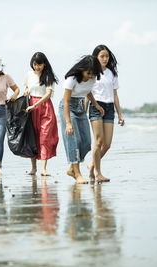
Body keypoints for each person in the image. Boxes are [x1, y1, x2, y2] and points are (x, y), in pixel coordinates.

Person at [59, 55, 105, 184]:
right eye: (88, 73)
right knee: (74, 140)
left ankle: (71, 169)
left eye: (93, 73)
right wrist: (68, 122)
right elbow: (66, 101)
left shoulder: (93, 78)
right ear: (82, 69)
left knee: (85, 142)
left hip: (80, 106)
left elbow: (87, 91)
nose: (90, 76)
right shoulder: (72, 79)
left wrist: (96, 104)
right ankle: (77, 174)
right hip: (68, 108)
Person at [85, 45, 125, 182]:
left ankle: (91, 165)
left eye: (107, 56)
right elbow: (87, 94)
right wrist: (84, 113)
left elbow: (115, 95)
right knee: (99, 141)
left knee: (107, 144)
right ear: (96, 57)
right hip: (96, 106)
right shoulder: (92, 73)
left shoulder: (112, 73)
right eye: (102, 56)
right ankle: (98, 173)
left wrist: (120, 114)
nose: (105, 59)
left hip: (109, 108)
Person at [24, 52, 59, 176]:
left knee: (44, 137)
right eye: (35, 64)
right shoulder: (29, 75)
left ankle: (43, 169)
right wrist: (26, 92)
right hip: (31, 108)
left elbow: (48, 94)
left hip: (45, 108)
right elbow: (27, 88)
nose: (37, 67)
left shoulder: (49, 76)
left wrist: (35, 104)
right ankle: (34, 168)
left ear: (44, 64)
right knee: (32, 137)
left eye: (39, 64)